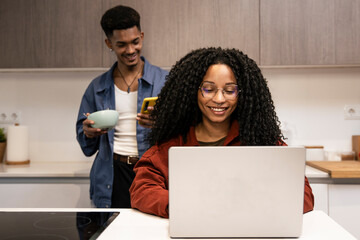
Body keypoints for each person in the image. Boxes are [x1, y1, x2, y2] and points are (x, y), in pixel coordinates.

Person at [129, 47, 314, 218]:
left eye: (229, 90)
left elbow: (303, 196)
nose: (219, 99)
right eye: (208, 89)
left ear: (242, 94)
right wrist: (189, 206)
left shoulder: (261, 141)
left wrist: (245, 205)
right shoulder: (174, 143)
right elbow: (142, 190)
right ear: (193, 91)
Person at [76, 5, 168, 208]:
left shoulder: (165, 82)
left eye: (135, 42)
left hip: (152, 174)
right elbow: (86, 147)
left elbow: (185, 137)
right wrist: (89, 133)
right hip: (112, 176)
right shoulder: (97, 87)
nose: (130, 50)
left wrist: (162, 125)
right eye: (121, 44)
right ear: (109, 43)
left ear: (142, 36)